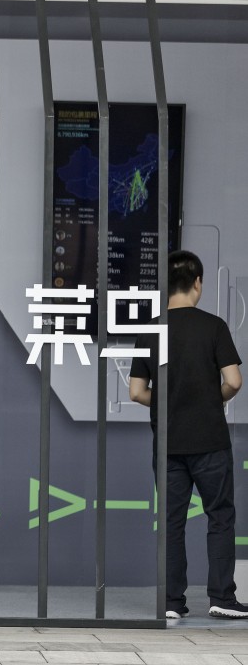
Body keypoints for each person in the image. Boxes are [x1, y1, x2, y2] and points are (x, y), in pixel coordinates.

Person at [129, 249, 247, 619]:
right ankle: (222, 599)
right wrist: (212, 401)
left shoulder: (151, 328)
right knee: (220, 517)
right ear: (198, 283)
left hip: (168, 443)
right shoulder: (213, 326)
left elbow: (135, 391)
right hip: (210, 440)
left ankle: (171, 604)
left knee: (171, 522)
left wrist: (167, 405)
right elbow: (234, 381)